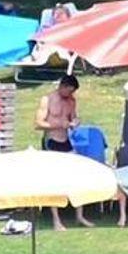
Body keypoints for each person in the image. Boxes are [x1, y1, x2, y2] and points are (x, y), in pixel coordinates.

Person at [35, 75, 92, 230]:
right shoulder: (47, 100)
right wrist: (59, 124)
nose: (69, 94)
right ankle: (56, 220)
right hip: (51, 141)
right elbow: (38, 123)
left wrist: (75, 121)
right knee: (55, 180)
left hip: (66, 142)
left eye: (72, 92)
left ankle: (79, 216)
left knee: (77, 176)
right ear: (62, 86)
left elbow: (73, 117)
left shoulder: (71, 101)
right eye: (68, 91)